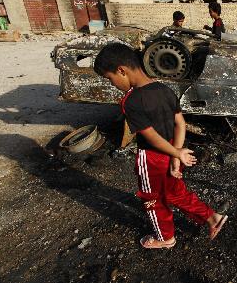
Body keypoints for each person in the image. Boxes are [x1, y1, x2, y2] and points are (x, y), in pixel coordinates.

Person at [94, 43, 228, 249]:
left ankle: (165, 238)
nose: (112, 84)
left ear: (121, 70)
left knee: (152, 199)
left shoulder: (131, 101)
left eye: (110, 79)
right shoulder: (165, 89)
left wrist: (176, 154)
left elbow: (151, 136)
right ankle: (212, 218)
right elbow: (180, 124)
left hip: (153, 158)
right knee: (175, 193)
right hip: (175, 150)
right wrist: (176, 155)